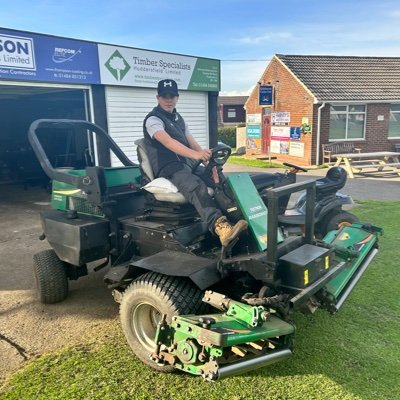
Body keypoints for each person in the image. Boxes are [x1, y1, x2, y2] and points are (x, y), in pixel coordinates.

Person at [143, 79, 248, 247]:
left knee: (218, 178)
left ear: (177, 98)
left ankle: (238, 218)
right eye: (164, 96)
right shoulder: (153, 120)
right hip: (169, 167)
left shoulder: (179, 119)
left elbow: (191, 142)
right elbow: (168, 142)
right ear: (158, 98)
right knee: (196, 186)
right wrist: (196, 155)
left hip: (186, 164)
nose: (168, 99)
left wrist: (206, 160)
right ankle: (221, 228)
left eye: (172, 96)